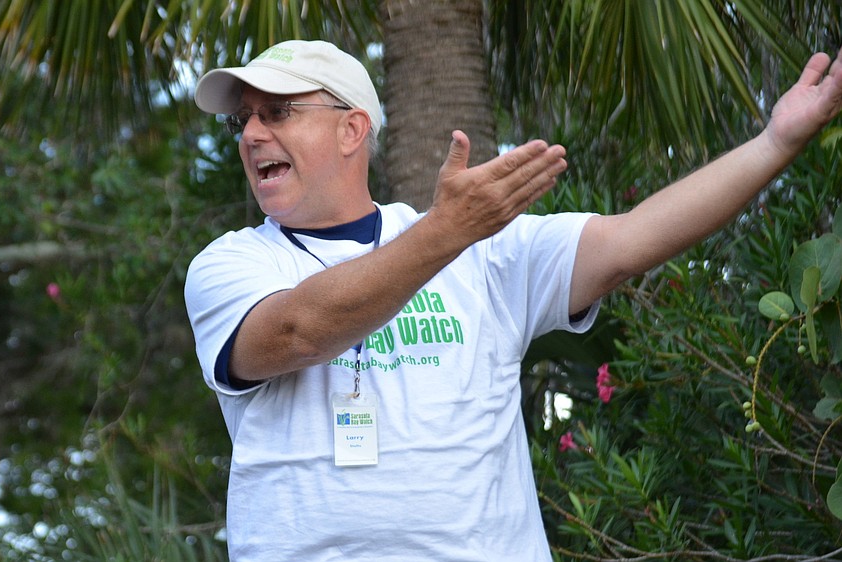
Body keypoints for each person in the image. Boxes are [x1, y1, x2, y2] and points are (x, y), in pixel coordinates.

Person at [185, 39, 842, 561]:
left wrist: (775, 143)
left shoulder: (481, 248)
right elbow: (295, 331)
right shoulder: (233, 264)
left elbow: (633, 239)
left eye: (277, 113)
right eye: (244, 118)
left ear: (352, 130)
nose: (249, 134)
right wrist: (446, 232)